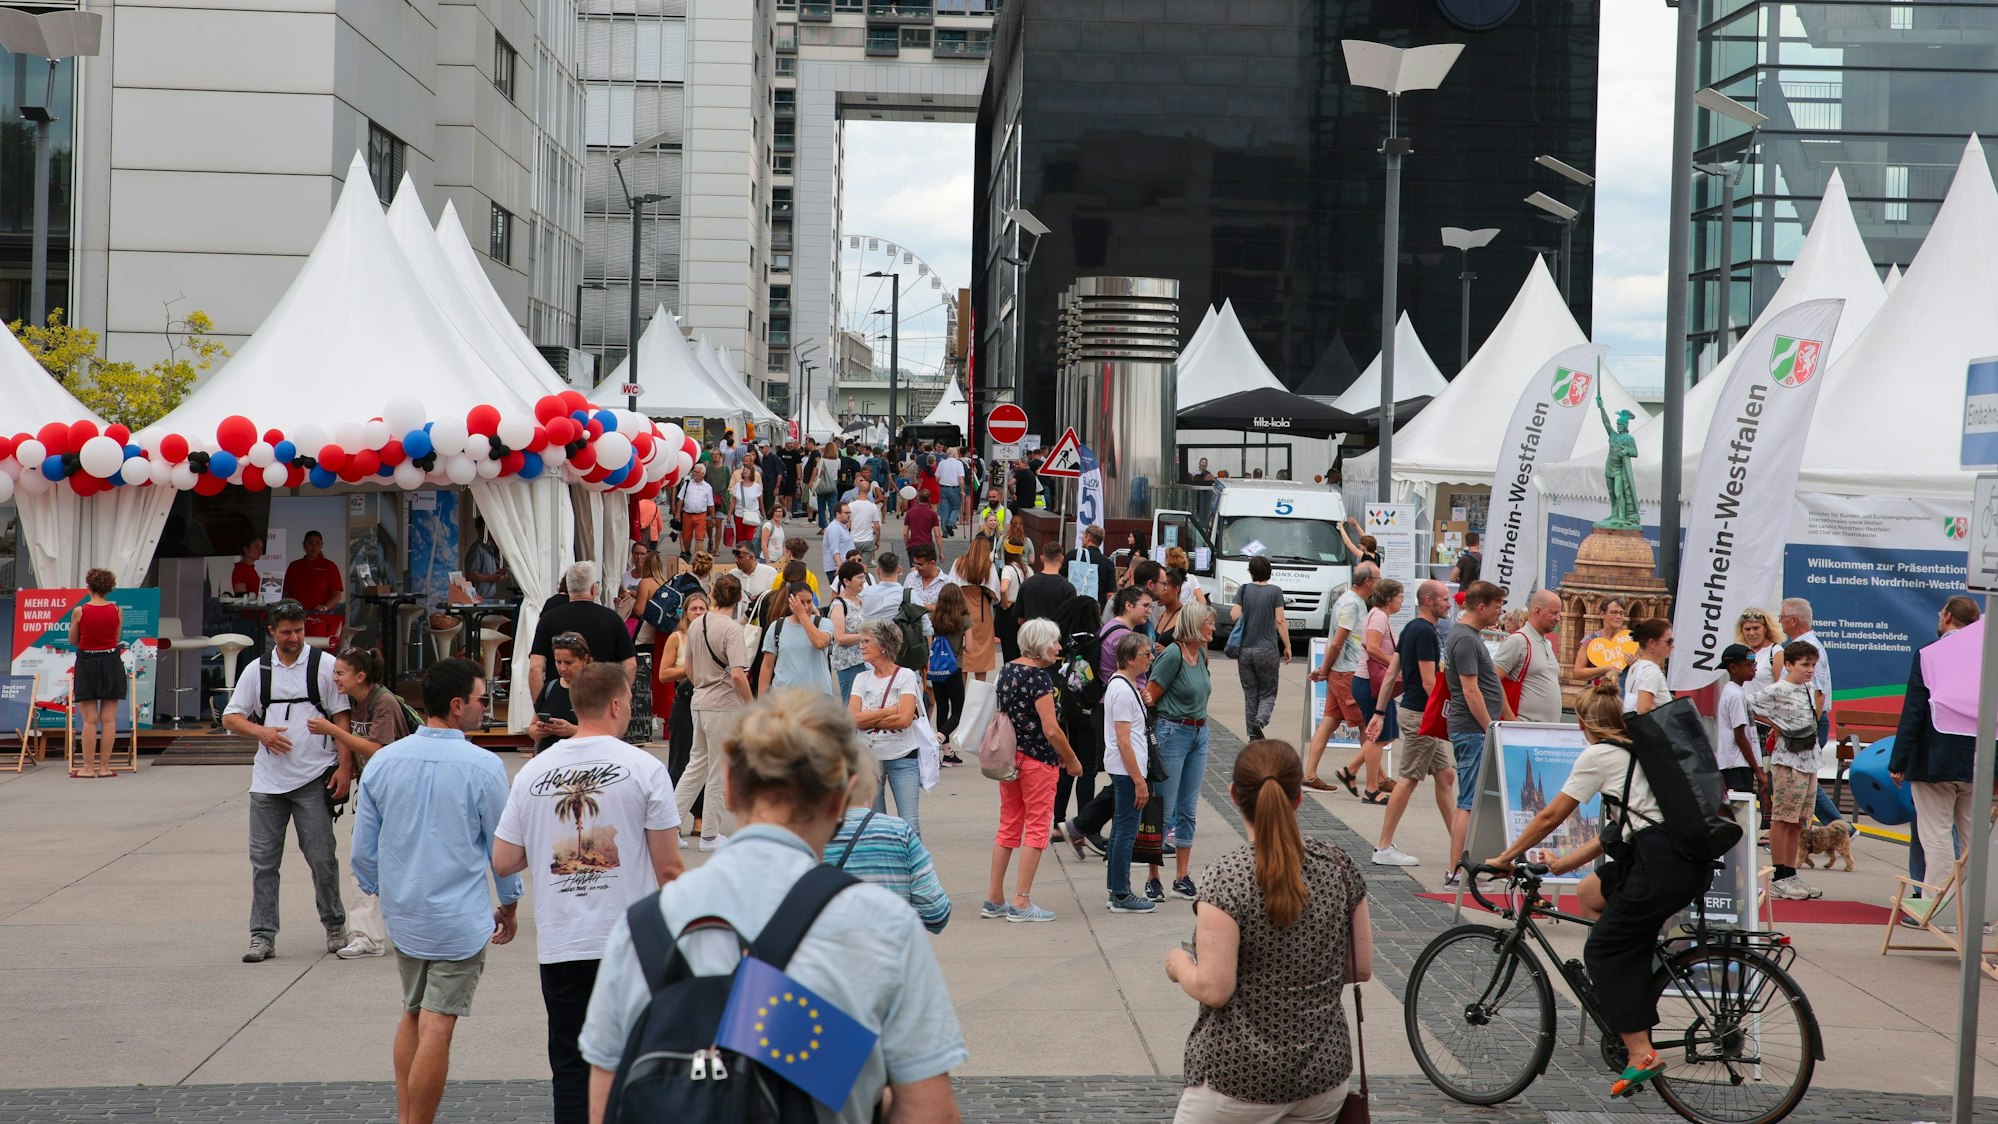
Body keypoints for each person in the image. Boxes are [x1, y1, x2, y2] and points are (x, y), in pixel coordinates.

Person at [580, 690, 967, 1123]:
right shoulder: (881, 923)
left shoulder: (644, 925)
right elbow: (930, 1112)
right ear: (842, 798)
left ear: (729, 787)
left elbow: (603, 1105)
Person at [1486, 680, 1708, 1100]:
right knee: (1590, 892)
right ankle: (1624, 994)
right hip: (1675, 859)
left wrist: (1505, 857)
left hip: (1659, 865)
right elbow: (1615, 831)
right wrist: (1562, 865)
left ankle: (1641, 1052)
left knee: (1604, 951)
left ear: (1584, 723)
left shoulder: (1600, 755)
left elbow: (1551, 816)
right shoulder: (1639, 751)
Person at [493, 662, 683, 1124]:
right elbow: (669, 868)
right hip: (629, 942)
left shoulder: (533, 772)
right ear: (617, 705)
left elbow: (504, 860)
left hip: (563, 942)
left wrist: (547, 842)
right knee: (636, 1060)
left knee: (571, 1064)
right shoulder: (645, 768)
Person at [1166, 739, 1375, 1121]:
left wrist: (1180, 964)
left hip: (1238, 1079)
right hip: (1322, 1076)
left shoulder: (1226, 878)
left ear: (1233, 794)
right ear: (1299, 798)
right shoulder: (1340, 866)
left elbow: (1214, 988)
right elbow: (1359, 967)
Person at [351, 658, 520, 1124]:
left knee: (413, 1012)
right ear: (457, 704)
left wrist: (384, 890)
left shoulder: (385, 761)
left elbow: (363, 851)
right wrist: (509, 903)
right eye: (483, 699)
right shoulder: (484, 766)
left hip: (406, 913)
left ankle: (407, 1118)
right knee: (438, 1024)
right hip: (458, 919)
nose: (487, 707)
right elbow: (502, 850)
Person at [222, 600, 353, 963]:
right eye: (286, 632)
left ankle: (334, 924)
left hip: (314, 777)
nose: (294, 637)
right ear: (272, 633)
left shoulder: (324, 666)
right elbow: (231, 717)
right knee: (264, 862)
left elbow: (342, 719)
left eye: (299, 630)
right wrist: (261, 732)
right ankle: (262, 936)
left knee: (322, 858)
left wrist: (345, 768)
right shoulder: (258, 669)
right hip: (268, 782)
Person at [311, 646, 413, 959]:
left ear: (361, 676)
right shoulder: (356, 703)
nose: (335, 678)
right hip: (375, 794)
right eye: (335, 672)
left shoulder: (383, 702)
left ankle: (406, 932)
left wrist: (332, 730)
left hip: (399, 795)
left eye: (341, 673)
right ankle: (368, 935)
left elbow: (376, 749)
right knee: (364, 861)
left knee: (396, 864)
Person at [985, 618, 1084, 922]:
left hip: (1009, 757)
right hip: (1037, 760)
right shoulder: (1040, 678)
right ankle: (1021, 900)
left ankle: (994, 898)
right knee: (1039, 827)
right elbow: (1051, 729)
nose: (1058, 647)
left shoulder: (1008, 669)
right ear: (1041, 644)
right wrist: (1071, 759)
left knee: (1009, 824)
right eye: (1054, 641)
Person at [1891, 596, 1982, 898]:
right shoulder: (1987, 656)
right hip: (1978, 760)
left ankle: (1938, 906)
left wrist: (1898, 760)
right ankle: (1974, 907)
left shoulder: (1930, 653)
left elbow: (1914, 710)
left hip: (1934, 758)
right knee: (1973, 840)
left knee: (1936, 836)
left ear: (1947, 617)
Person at [1371, 580, 1455, 868]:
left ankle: (1460, 845)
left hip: (1415, 712)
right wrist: (1452, 714)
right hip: (1421, 715)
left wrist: (1380, 712)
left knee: (1446, 775)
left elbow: (1391, 673)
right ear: (1429, 601)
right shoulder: (1425, 632)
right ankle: (1384, 847)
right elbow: (1430, 683)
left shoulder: (1410, 628)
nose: (1449, 603)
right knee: (1408, 779)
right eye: (1444, 598)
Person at [1143, 601, 1214, 903]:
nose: (1213, 627)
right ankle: (1153, 877)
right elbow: (1150, 696)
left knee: (1188, 809)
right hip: (1173, 733)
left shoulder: (1202, 654)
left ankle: (1181, 877)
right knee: (1163, 807)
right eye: (1209, 622)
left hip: (1199, 733)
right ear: (1195, 625)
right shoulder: (1173, 655)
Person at [675, 573, 752, 851]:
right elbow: (738, 675)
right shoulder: (732, 630)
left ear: (713, 596)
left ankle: (668, 825)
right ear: (739, 598)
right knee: (718, 769)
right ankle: (709, 834)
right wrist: (751, 705)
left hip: (700, 699)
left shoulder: (697, 624)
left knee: (696, 765)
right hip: (723, 703)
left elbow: (689, 668)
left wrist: (703, 684)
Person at [1444, 581, 1512, 889]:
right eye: (1497, 606)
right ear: (1481, 607)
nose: (1500, 612)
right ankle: (1456, 871)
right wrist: (1490, 728)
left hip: (1472, 730)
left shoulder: (1467, 636)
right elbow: (1471, 691)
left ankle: (1464, 868)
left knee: (1471, 801)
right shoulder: (1466, 639)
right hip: (1473, 731)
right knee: (1468, 802)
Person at [1750, 640, 1829, 900]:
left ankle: (1791, 872)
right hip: (1788, 761)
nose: (1810, 670)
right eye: (1805, 665)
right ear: (1789, 665)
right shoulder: (1778, 689)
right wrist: (1776, 724)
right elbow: (1749, 704)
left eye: (1813, 665)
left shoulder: (1809, 687)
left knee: (1799, 820)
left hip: (1810, 759)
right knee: (1782, 818)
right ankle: (1779, 875)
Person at [1303, 562, 1378, 796]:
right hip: (1347, 672)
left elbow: (1336, 640)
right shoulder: (1352, 604)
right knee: (1367, 725)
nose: (1379, 582)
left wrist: (1326, 669)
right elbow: (1337, 641)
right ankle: (1377, 779)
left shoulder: (1350, 600)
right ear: (1368, 581)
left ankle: (1309, 775)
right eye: (1377, 578)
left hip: (1341, 670)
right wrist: (1325, 669)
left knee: (1330, 721)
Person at [824, 800, 952, 934]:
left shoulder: (813, 836)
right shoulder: (900, 831)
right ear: (872, 790)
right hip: (889, 942)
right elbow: (935, 914)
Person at [850, 619, 928, 837]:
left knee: (910, 825)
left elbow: (904, 720)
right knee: (874, 825)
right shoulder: (861, 679)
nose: (861, 645)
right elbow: (852, 719)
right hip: (869, 761)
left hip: (903, 757)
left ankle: (913, 860)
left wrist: (868, 718)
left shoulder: (906, 676)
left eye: (866, 641)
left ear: (884, 645)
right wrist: (889, 711)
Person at [1101, 631, 1157, 913]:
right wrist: (1138, 780)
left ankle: (1116, 889)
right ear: (1130, 658)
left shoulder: (1125, 685)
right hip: (1127, 770)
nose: (1151, 658)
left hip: (1125, 768)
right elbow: (1123, 741)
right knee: (1126, 830)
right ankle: (1121, 894)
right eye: (1146, 654)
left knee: (1121, 828)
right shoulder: (1123, 690)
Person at [1778, 596, 1844, 827]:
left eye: (1782, 617)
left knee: (1802, 779)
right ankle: (1817, 829)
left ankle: (1840, 828)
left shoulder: (1807, 649)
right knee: (1801, 779)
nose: (1780, 621)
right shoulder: (1805, 645)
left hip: (1805, 724)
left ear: (1793, 620)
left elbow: (1818, 693)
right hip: (1804, 722)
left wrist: (1806, 727)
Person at [528, 562, 636, 702]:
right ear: (593, 589)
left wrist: (540, 706)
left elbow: (535, 667)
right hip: (601, 702)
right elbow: (631, 665)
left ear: (568, 587)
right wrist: (619, 698)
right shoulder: (612, 619)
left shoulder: (548, 619)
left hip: (558, 702)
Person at [656, 591, 709, 836]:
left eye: (702, 608)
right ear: (685, 613)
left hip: (708, 702)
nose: (698, 612)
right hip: (684, 703)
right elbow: (663, 674)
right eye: (693, 609)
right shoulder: (677, 638)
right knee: (680, 761)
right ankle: (671, 819)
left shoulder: (712, 636)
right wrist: (688, 669)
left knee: (705, 761)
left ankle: (700, 818)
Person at [1347, 578, 1404, 806]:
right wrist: (1395, 665)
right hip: (1371, 683)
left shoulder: (1379, 616)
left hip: (1374, 683)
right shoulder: (1379, 617)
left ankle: (1351, 769)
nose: (1402, 601)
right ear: (1389, 599)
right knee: (1378, 736)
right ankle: (1371, 788)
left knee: (1387, 734)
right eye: (1399, 596)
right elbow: (1372, 647)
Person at [66, 569, 125, 779]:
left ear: (89, 586)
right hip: (111, 662)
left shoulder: (80, 611)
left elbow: (73, 640)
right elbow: (116, 637)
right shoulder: (116, 610)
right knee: (109, 719)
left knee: (89, 719)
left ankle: (88, 768)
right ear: (108, 588)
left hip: (87, 663)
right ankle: (104, 767)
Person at [1231, 555, 1290, 742]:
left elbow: (1234, 615)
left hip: (1245, 650)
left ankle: (1252, 735)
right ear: (1269, 572)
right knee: (1268, 692)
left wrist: (1249, 612)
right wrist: (1287, 645)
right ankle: (1261, 720)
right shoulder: (1275, 592)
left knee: (1250, 693)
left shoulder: (1244, 589)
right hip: (1267, 649)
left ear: (1251, 572)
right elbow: (1280, 621)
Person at [758, 582, 835, 697]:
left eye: (809, 601)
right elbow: (767, 666)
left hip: (818, 697)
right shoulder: (777, 626)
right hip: (785, 696)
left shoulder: (823, 623)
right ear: (791, 602)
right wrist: (762, 700)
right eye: (801, 602)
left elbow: (820, 643)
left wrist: (802, 615)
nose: (806, 607)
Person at [1497, 589, 1564, 723]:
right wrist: (1510, 718)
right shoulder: (1518, 641)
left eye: (1559, 613)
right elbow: (1492, 679)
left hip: (1544, 731)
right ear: (1537, 611)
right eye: (1553, 613)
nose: (1558, 618)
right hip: (1525, 730)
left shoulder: (1543, 642)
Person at [1714, 643, 1765, 799]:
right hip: (1736, 765)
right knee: (1740, 809)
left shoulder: (1736, 692)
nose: (1754, 668)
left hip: (1737, 763)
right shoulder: (1735, 695)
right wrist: (1757, 770)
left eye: (1754, 664)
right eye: (1749, 665)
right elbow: (1740, 736)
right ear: (1734, 668)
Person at [528, 633, 592, 754]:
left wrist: (572, 730)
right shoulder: (550, 688)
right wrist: (540, 731)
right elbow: (532, 728)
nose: (562, 668)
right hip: (550, 758)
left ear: (584, 660)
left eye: (569, 663)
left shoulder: (597, 690)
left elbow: (608, 734)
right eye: (558, 662)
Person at [929, 583, 971, 766]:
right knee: (959, 710)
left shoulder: (934, 619)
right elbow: (970, 647)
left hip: (937, 668)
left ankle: (947, 754)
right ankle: (939, 738)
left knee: (942, 707)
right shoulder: (964, 619)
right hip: (954, 668)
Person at [953, 535, 1003, 683]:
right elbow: (995, 594)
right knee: (982, 654)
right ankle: (979, 692)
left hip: (962, 607)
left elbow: (951, 585)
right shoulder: (988, 566)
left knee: (962, 655)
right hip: (981, 609)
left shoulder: (958, 562)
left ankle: (961, 694)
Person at [283, 530, 345, 638]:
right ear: (304, 545)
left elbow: (336, 594)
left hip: (321, 615)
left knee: (318, 645)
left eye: (317, 543)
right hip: (297, 615)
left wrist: (324, 608)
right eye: (310, 543)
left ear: (321, 546)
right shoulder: (294, 566)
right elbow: (286, 591)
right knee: (296, 643)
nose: (314, 547)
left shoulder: (329, 566)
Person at [828, 560, 871, 699]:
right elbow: (839, 638)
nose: (863, 581)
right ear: (846, 581)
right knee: (852, 704)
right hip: (848, 664)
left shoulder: (860, 599)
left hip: (866, 660)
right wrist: (866, 636)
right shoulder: (839, 605)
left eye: (863, 577)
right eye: (859, 578)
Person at [1016, 540, 1076, 625]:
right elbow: (1071, 620)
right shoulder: (1068, 588)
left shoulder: (1026, 584)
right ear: (1062, 559)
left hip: (1032, 632)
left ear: (1042, 558)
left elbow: (1020, 620)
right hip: (1057, 633)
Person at [1620, 618, 1673, 715]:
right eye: (1669, 641)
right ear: (1652, 643)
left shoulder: (1636, 665)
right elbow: (1644, 708)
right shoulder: (1651, 671)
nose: (1672, 645)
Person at [1572, 596, 1631, 674]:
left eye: (1621, 613)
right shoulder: (1590, 641)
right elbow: (1578, 672)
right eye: (1614, 612)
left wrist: (1635, 664)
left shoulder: (1630, 639)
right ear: (1602, 614)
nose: (1618, 616)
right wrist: (1603, 669)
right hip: (1597, 682)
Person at [1735, 607, 1787, 691]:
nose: (1751, 633)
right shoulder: (1744, 651)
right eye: (1747, 629)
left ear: (1766, 629)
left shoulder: (1776, 652)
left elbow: (1782, 690)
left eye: (1756, 628)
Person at [676, 465, 716, 557]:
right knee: (686, 538)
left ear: (702, 474)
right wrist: (677, 513)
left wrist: (713, 517)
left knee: (699, 538)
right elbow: (681, 499)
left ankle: (698, 558)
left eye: (697, 472)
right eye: (694, 471)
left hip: (701, 515)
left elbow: (711, 504)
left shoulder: (707, 487)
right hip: (687, 515)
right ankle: (687, 552)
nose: (694, 473)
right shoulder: (687, 483)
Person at [725, 542, 778, 606]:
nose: (735, 560)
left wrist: (760, 599)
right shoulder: (733, 574)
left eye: (740, 557)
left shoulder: (770, 573)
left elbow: (775, 598)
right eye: (735, 557)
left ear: (752, 557)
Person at [862, 551, 909, 622]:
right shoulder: (910, 595)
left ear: (878, 571)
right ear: (899, 570)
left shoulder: (864, 593)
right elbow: (924, 624)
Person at [823, 500, 857, 587]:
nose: (849, 515)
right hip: (837, 569)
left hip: (845, 567)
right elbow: (834, 549)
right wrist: (840, 566)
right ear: (838, 514)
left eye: (850, 513)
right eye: (846, 513)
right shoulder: (834, 528)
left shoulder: (841, 526)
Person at [729, 461, 763, 546]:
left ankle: (748, 552)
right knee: (740, 538)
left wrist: (763, 514)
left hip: (752, 515)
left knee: (749, 537)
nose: (745, 471)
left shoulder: (756, 487)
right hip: (739, 515)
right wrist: (729, 514)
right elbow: (733, 501)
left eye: (747, 470)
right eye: (744, 470)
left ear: (752, 473)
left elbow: (760, 501)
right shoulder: (737, 486)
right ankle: (740, 552)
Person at [935, 447, 965, 536]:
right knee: (956, 507)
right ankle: (951, 523)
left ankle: (945, 531)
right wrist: (962, 491)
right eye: (957, 453)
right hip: (954, 488)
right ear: (954, 454)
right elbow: (960, 479)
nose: (958, 455)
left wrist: (941, 484)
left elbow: (937, 477)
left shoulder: (942, 463)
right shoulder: (958, 463)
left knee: (944, 510)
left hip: (943, 488)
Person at [902, 485, 939, 552]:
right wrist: (941, 552)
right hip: (928, 545)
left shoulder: (910, 512)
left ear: (918, 498)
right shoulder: (933, 514)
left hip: (913, 544)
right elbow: (937, 535)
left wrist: (907, 545)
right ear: (929, 499)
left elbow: (905, 533)